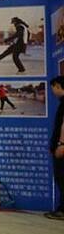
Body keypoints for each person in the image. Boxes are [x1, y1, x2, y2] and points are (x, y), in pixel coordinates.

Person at [47, 76, 64, 220]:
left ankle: (63, 210)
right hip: (59, 146)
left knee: (62, 178)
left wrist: (61, 144)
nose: (52, 90)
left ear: (58, 86)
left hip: (62, 148)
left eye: (53, 87)